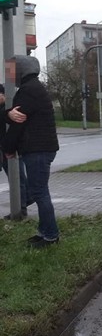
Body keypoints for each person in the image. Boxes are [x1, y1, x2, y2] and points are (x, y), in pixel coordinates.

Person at [2, 55, 60, 248]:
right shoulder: (32, 88)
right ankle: (45, 232)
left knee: (39, 192)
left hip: (37, 150)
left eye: (10, 70)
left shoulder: (29, 90)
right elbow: (15, 117)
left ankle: (51, 235)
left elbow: (18, 123)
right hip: (39, 149)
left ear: (21, 70)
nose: (9, 75)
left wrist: (8, 149)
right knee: (39, 191)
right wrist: (8, 114)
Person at [0, 83, 30, 220]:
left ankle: (20, 209)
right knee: (16, 179)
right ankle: (23, 202)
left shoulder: (10, 108)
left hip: (11, 148)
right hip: (4, 149)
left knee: (18, 178)